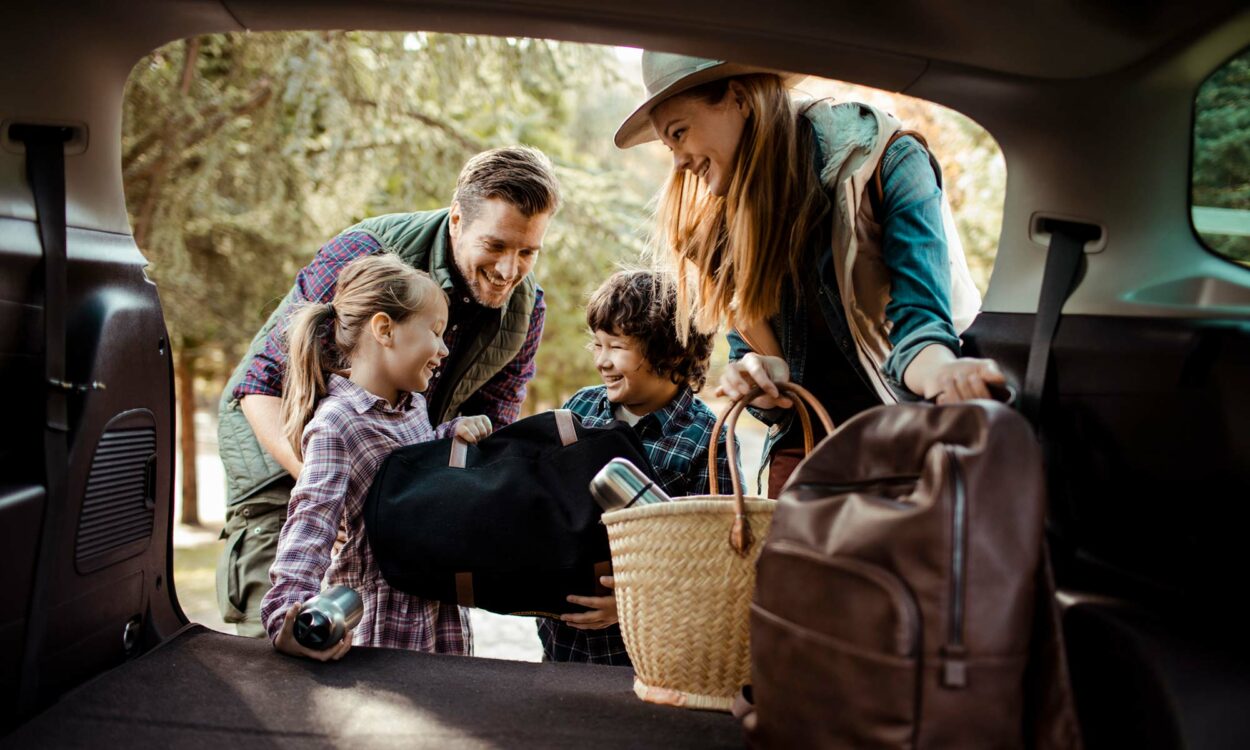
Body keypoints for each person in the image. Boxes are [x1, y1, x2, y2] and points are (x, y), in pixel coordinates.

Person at [615, 52, 1005, 496]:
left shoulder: (887, 161)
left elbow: (923, 332)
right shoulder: (721, 233)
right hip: (807, 462)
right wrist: (756, 375)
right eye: (670, 147)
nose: (680, 163)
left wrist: (946, 377)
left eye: (679, 133)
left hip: (906, 445)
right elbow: (767, 376)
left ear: (738, 98)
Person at [216, 146, 560, 636]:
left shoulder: (526, 311)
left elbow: (488, 437)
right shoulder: (365, 250)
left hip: (392, 481)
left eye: (528, 252)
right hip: (285, 461)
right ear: (458, 220)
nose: (509, 270)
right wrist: (335, 495)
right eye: (497, 246)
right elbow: (260, 385)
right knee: (282, 650)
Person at [260, 254, 493, 660]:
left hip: (438, 616)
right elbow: (310, 525)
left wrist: (447, 437)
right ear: (385, 329)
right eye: (436, 332)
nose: (442, 349)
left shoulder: (413, 407)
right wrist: (286, 617)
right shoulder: (338, 423)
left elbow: (409, 472)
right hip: (383, 626)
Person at [537, 269, 740, 666]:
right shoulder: (580, 408)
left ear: (673, 351)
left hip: (644, 654)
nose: (601, 361)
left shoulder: (708, 440)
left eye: (616, 346)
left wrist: (628, 606)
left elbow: (716, 562)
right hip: (560, 645)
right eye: (596, 344)